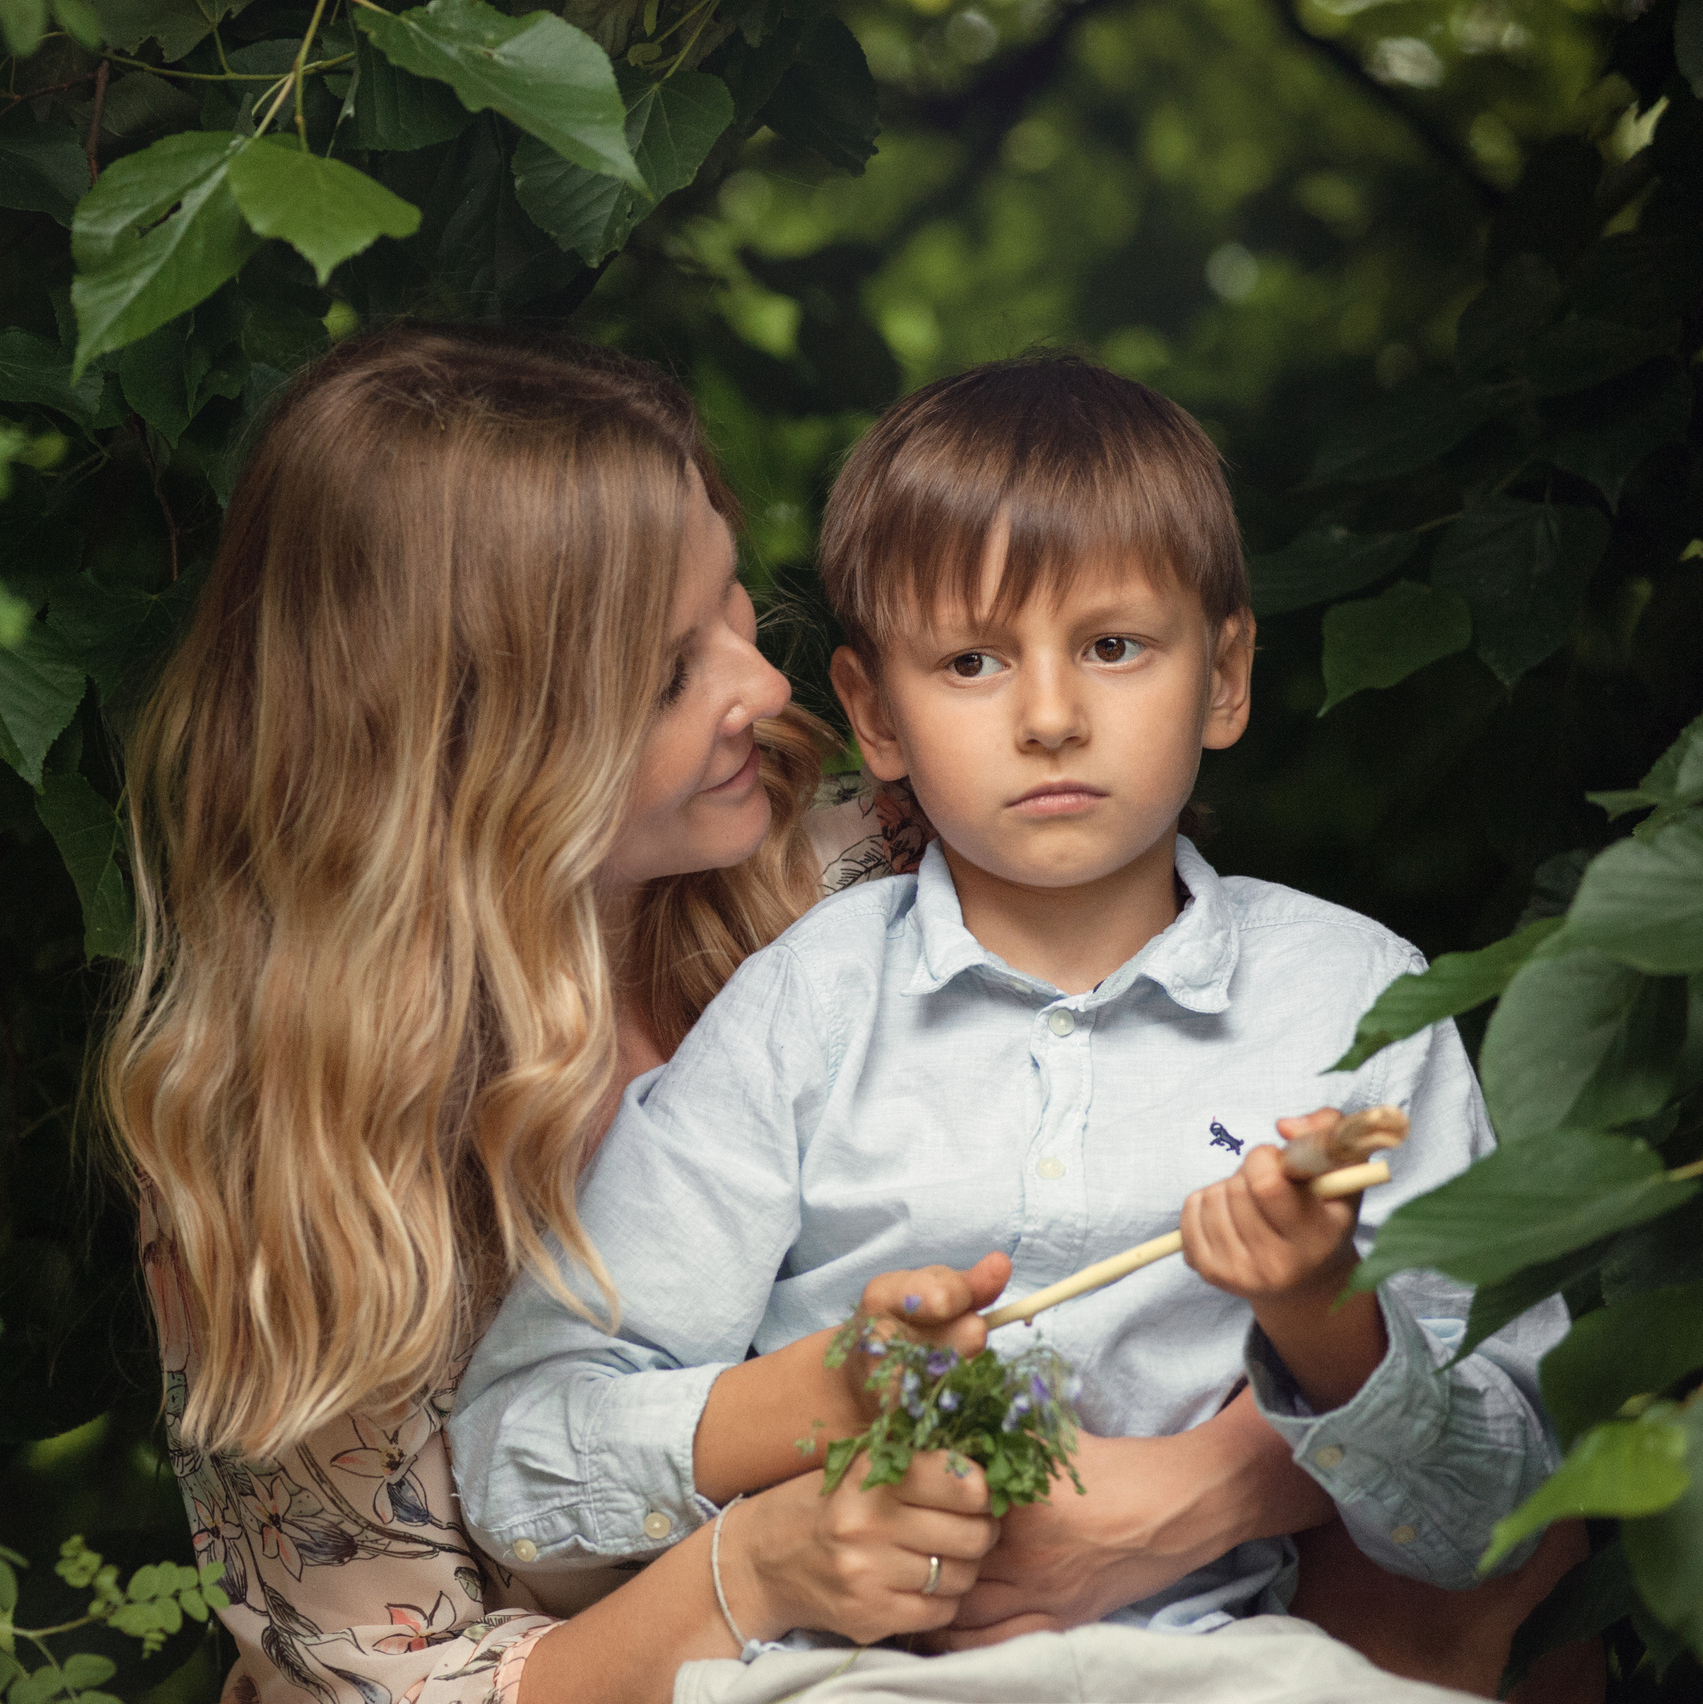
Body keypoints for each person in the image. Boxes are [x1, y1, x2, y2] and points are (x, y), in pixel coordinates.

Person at [102, 328, 1442, 1704]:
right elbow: (392, 1679)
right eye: (673, 671)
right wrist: (758, 1566)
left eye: (734, 607)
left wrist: (1190, 1492)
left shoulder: (887, 877)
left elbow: (1386, 1310)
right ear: (475, 740)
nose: (763, 685)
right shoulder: (288, 1166)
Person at [446, 357, 1567, 1673]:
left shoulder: (1355, 1003)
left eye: (1112, 647)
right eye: (972, 661)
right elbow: (518, 1454)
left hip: (1229, 1668)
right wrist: (822, 1406)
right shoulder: (803, 1008)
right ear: (875, 714)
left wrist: (1328, 1314)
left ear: (1224, 676)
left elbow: (1502, 1513)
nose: (1048, 717)